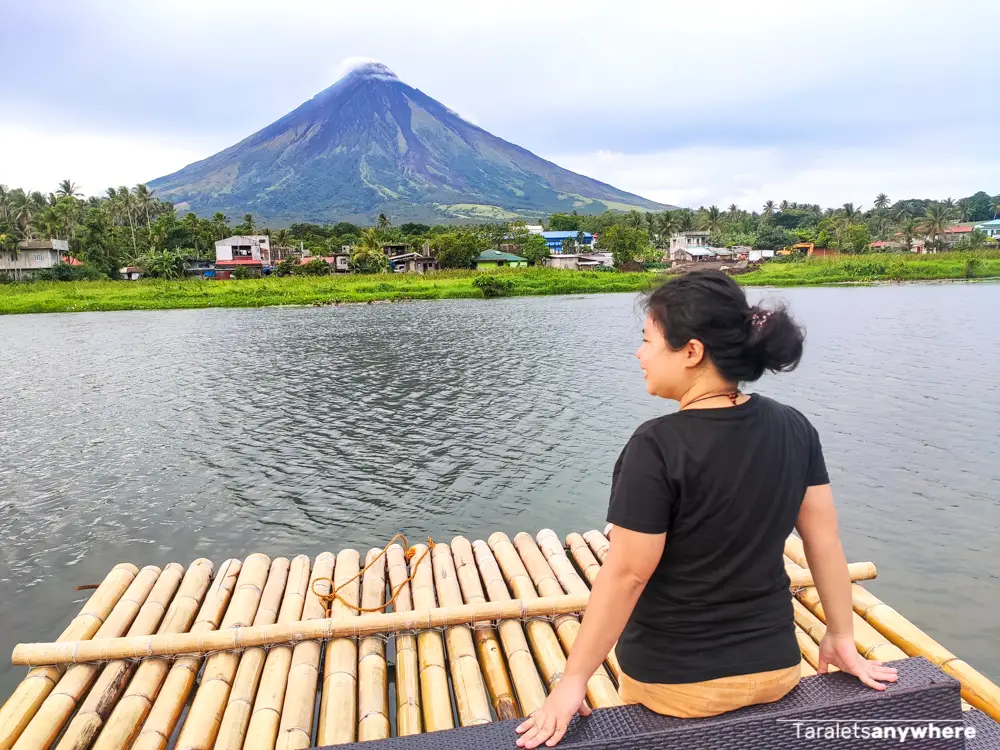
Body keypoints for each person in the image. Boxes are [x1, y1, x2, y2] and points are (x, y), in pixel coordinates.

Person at [516, 270, 897, 749]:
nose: (640, 354)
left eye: (648, 341)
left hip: (674, 685)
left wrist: (572, 683)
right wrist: (841, 636)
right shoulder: (795, 427)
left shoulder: (656, 445)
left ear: (692, 352)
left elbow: (627, 576)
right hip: (777, 668)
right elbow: (823, 541)